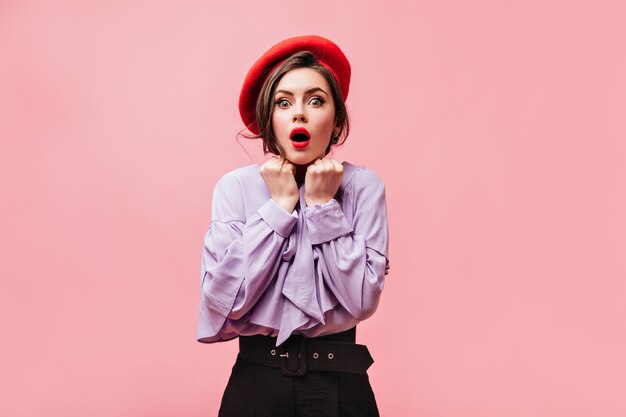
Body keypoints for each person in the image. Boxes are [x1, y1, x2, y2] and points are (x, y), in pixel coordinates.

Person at [196, 35, 390, 417]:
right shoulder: (234, 187)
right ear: (270, 118)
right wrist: (280, 209)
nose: (299, 113)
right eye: (284, 103)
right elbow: (226, 302)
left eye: (315, 101)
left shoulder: (362, 186)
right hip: (256, 386)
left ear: (336, 120)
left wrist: (321, 208)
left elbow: (362, 299)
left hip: (341, 387)